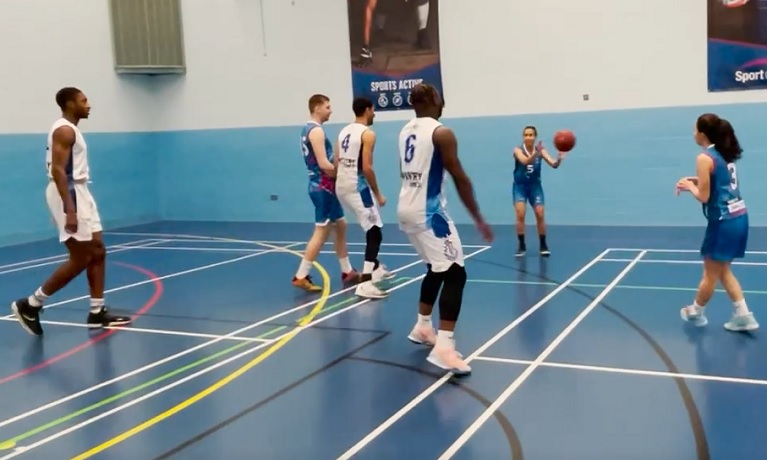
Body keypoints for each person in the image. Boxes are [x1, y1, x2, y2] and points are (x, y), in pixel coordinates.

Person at [10, 87, 131, 336]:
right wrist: (70, 209)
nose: (89, 105)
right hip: (69, 193)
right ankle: (30, 305)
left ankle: (97, 312)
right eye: (83, 101)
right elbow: (58, 171)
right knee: (82, 257)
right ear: (69, 104)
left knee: (98, 251)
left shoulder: (72, 130)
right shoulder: (64, 130)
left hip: (81, 191)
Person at [398, 83, 493, 375]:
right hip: (430, 215)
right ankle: (444, 347)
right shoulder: (442, 132)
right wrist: (477, 216)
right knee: (455, 273)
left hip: (405, 209)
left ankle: (423, 327)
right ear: (434, 100)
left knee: (435, 268)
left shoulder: (405, 132)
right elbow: (460, 178)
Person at [677, 113, 759, 332]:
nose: (693, 134)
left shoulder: (704, 158)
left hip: (723, 221)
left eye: (695, 130)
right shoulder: (725, 153)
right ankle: (743, 315)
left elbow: (703, 196)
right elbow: (721, 182)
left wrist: (689, 185)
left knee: (710, 272)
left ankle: (695, 310)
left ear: (702, 134)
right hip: (739, 216)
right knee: (723, 270)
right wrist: (696, 181)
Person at [292, 94, 359, 292]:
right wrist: (343, 172)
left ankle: (347, 271)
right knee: (321, 231)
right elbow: (323, 164)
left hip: (324, 185)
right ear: (317, 107)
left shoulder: (308, 130)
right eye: (328, 107)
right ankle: (301, 275)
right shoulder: (316, 132)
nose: (331, 110)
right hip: (323, 186)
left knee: (341, 225)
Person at [335, 97, 394, 299]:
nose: (374, 113)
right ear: (368, 110)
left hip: (341, 185)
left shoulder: (343, 131)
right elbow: (367, 167)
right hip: (356, 186)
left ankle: (376, 268)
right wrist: (378, 193)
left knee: (370, 225)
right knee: (375, 231)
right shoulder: (367, 134)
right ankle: (366, 283)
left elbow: (337, 161)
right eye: (373, 110)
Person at [512, 126, 566, 257]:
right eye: (526, 135)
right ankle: (521, 245)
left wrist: (559, 158)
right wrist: (537, 153)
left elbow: (553, 164)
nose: (528, 137)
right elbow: (525, 161)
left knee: (540, 214)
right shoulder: (517, 150)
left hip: (535, 186)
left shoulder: (541, 151)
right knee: (520, 214)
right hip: (520, 187)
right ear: (523, 137)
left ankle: (543, 244)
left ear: (535, 137)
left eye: (531, 135)